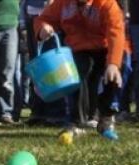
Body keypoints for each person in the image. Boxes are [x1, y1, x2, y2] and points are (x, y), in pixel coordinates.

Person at [35, 0, 125, 137]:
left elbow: (116, 32)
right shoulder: (63, 3)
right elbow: (43, 18)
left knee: (114, 73)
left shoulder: (107, 4)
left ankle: (106, 117)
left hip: (105, 48)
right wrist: (43, 28)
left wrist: (113, 63)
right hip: (78, 50)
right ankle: (77, 122)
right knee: (78, 72)